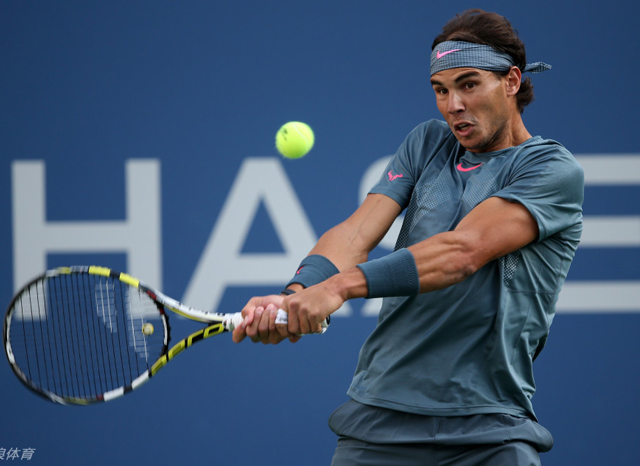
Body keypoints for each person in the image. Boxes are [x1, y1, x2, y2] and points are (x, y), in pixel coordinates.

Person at [232, 8, 584, 466]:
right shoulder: (428, 144)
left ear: (512, 81)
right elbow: (357, 231)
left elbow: (460, 252)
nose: (452, 105)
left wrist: (337, 288)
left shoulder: (551, 170)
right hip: (377, 422)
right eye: (441, 90)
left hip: (489, 430)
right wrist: (297, 294)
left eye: (469, 84)